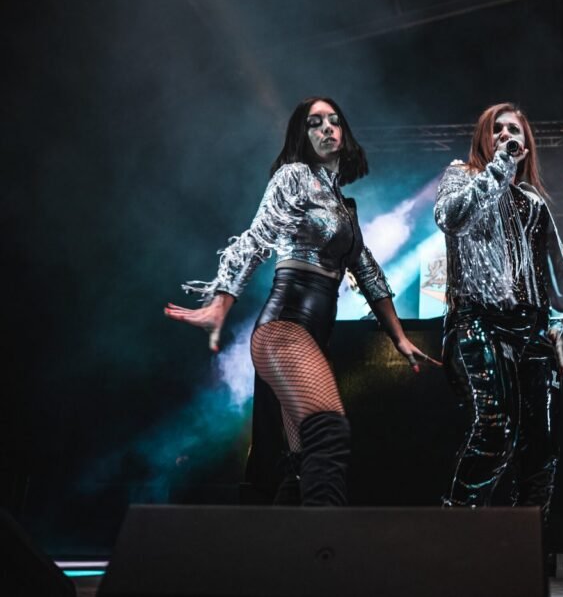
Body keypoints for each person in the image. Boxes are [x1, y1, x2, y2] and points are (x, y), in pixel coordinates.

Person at [165, 96, 437, 506]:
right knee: (329, 433)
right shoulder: (293, 176)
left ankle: (288, 541)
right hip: (284, 327)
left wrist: (398, 337)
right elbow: (256, 238)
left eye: (334, 120)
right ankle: (326, 542)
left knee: (301, 460)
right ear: (302, 135)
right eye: (315, 122)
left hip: (311, 337)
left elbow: (367, 271)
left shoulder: (343, 206)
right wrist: (222, 301)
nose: (327, 127)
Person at [434, 102, 563, 518]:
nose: (506, 135)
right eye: (497, 129)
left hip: (532, 328)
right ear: (484, 138)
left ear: (527, 145)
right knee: (496, 427)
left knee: (541, 445)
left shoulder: (533, 201)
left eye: (514, 130)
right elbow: (450, 218)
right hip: (480, 319)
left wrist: (555, 326)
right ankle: (456, 533)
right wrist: (498, 169)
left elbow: (543, 271)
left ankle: (527, 542)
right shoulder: (462, 176)